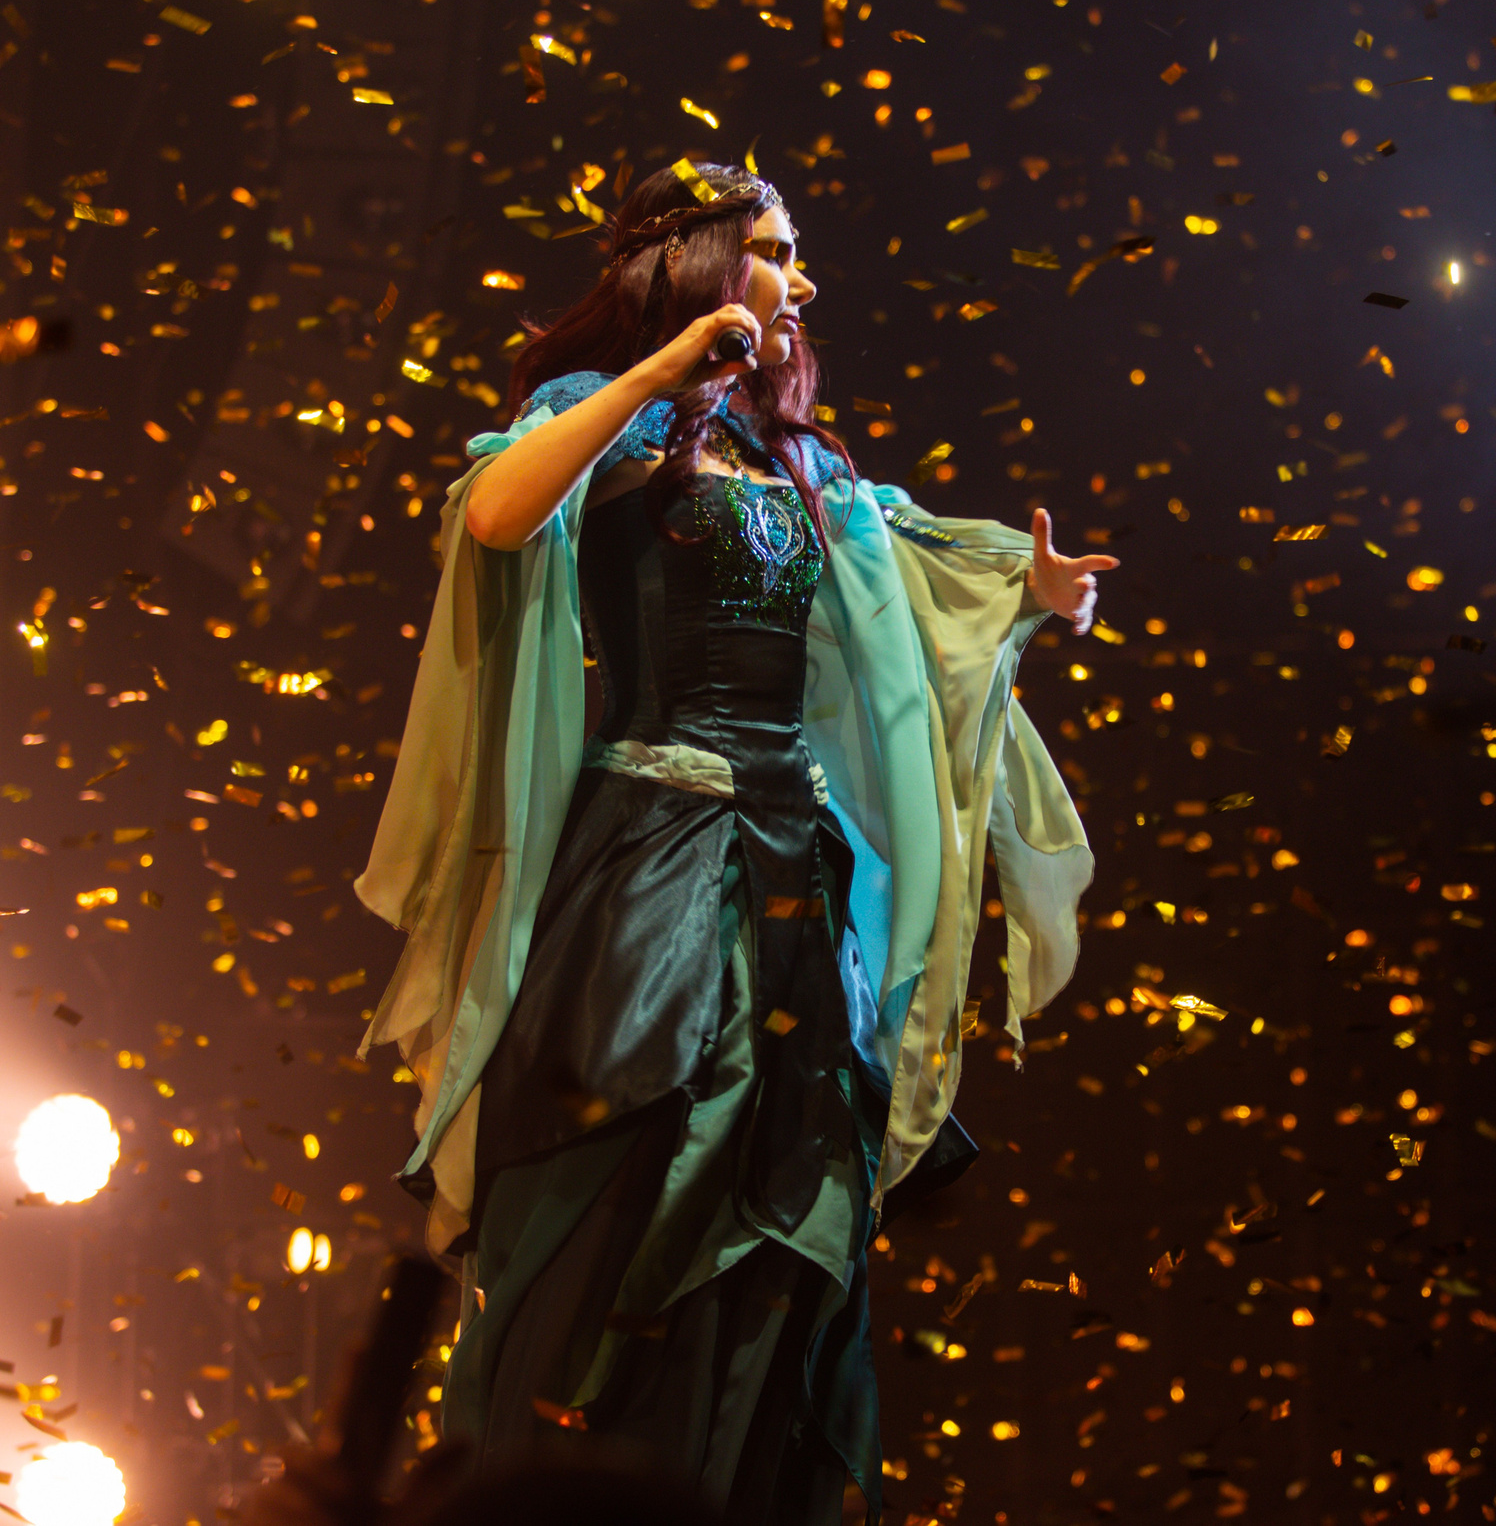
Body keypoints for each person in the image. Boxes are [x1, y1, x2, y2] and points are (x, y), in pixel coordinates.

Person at [352, 159, 1113, 1524]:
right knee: (632, 1171)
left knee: (789, 1213)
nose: (800, 279)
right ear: (692, 264)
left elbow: (918, 603)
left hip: (793, 879)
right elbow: (494, 516)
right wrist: (659, 376)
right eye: (775, 250)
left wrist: (1031, 600)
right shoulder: (606, 421)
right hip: (654, 860)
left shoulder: (807, 465)